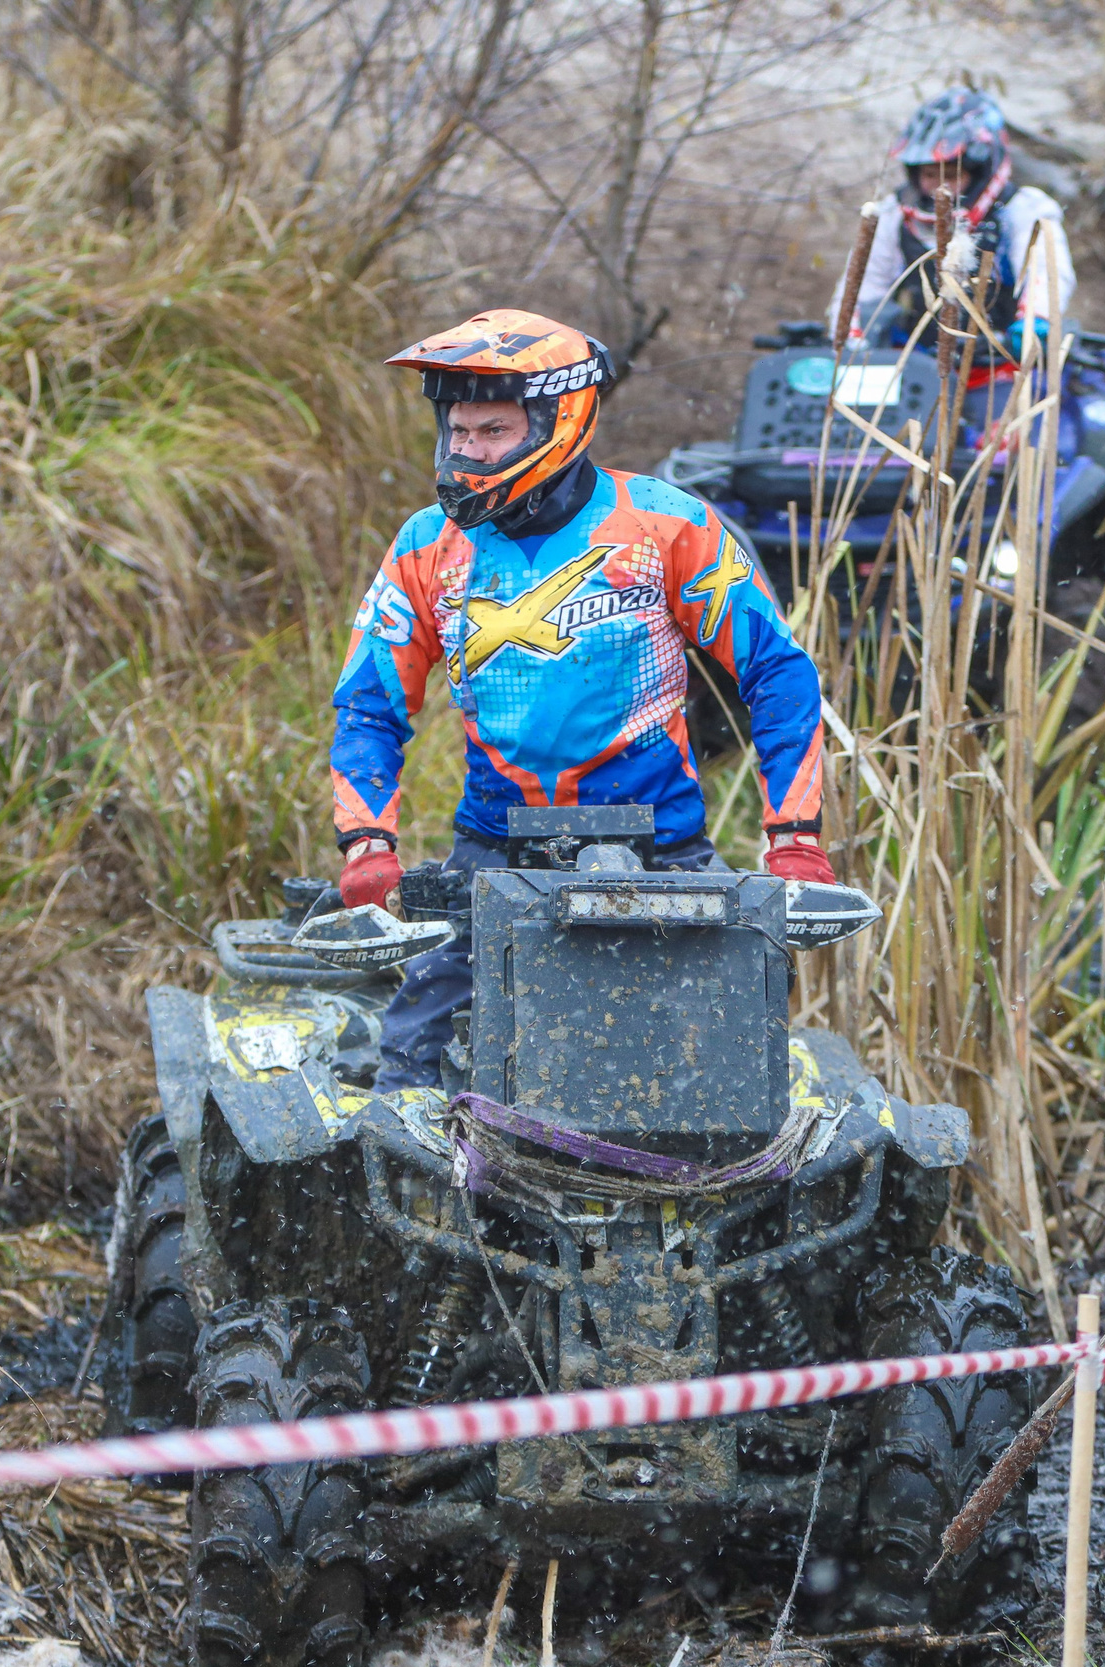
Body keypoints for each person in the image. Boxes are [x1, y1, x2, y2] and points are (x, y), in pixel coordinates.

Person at [331, 309, 837, 1091]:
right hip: (495, 849)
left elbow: (776, 670)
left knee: (738, 1061)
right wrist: (368, 843)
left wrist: (794, 837)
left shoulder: (668, 524)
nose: (468, 450)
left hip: (661, 845)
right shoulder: (425, 545)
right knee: (410, 1063)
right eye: (458, 429)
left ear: (557, 420)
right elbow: (369, 703)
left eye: (492, 430)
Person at [840, 86, 1075, 359]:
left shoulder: (1023, 209)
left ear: (980, 172)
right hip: (918, 360)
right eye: (929, 174)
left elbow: (1047, 272)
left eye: (951, 174)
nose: (938, 185)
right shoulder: (893, 214)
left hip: (999, 362)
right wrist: (851, 333)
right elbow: (863, 284)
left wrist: (1037, 317)